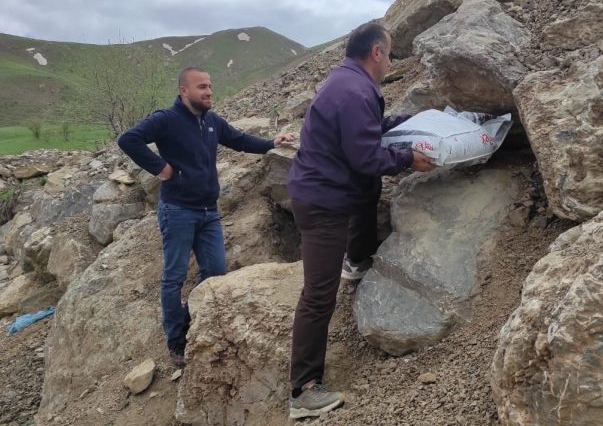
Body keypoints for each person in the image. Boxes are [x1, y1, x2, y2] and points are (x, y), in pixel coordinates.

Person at [286, 22, 435, 419]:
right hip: (321, 202)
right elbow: (366, 158)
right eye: (389, 53)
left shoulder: (347, 81)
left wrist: (405, 123)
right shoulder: (354, 91)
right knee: (318, 294)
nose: (391, 61)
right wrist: (409, 159)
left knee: (367, 194)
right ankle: (303, 391)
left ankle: (357, 259)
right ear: (375, 53)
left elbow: (364, 131)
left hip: (330, 191)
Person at [118, 67, 294, 368]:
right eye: (202, 87)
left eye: (210, 86)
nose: (209, 91)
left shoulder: (211, 121)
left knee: (215, 271)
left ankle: (191, 319)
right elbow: (128, 139)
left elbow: (238, 140)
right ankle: (176, 341)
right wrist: (161, 168)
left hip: (209, 212)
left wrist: (271, 143)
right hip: (178, 211)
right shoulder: (167, 119)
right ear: (183, 91)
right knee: (173, 278)